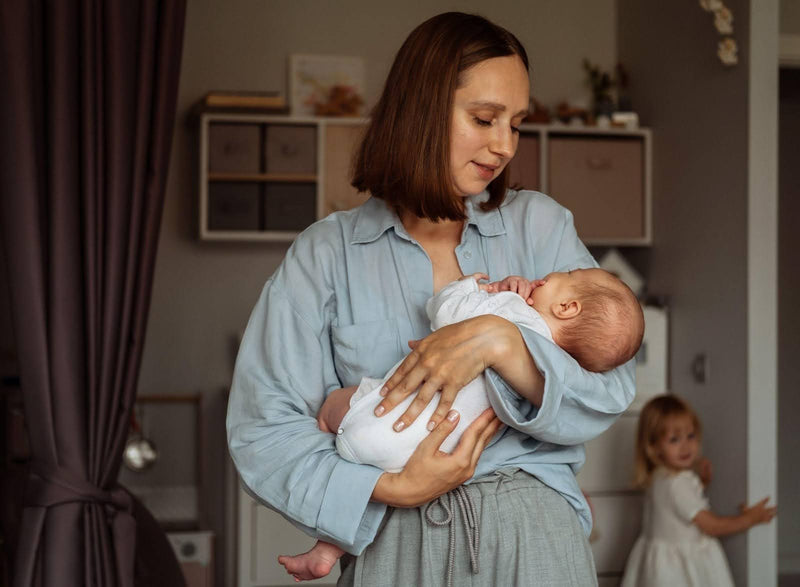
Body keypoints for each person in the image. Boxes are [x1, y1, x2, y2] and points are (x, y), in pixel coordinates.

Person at [227, 12, 637, 587]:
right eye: (484, 118)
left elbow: (611, 386)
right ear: (419, 110)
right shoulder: (326, 254)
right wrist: (390, 487)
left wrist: (499, 342)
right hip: (392, 542)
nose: (503, 145)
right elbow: (263, 428)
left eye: (515, 124)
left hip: (534, 537)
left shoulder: (542, 227)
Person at [279, 268, 644, 581]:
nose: (547, 277)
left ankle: (328, 537)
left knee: (333, 408)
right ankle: (328, 551)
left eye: (565, 276)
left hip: (381, 421)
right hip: (434, 451)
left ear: (567, 307)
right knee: (387, 476)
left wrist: (472, 287)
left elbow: (446, 313)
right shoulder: (551, 368)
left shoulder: (510, 315)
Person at [621, 394, 777, 587]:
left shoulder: (659, 477)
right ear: (653, 447)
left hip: (659, 566)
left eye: (691, 435)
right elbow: (712, 526)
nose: (685, 445)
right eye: (674, 440)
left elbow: (676, 508)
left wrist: (700, 485)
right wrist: (750, 519)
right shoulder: (679, 483)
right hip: (681, 569)